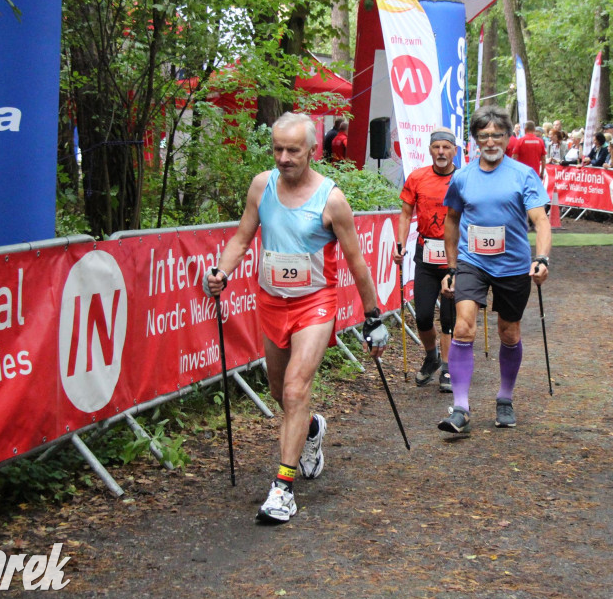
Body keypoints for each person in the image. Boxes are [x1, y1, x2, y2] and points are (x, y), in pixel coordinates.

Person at [203, 112, 389, 523]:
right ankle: (311, 431)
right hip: (271, 302)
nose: (284, 158)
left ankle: (283, 489)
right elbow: (241, 237)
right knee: (277, 390)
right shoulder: (261, 185)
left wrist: (372, 316)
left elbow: (357, 262)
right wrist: (221, 271)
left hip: (315, 304)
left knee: (294, 390)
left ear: (312, 151)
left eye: (293, 150)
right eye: (278, 149)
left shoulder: (332, 200)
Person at [438, 105, 552, 433]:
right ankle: (460, 407)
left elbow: (541, 220)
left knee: (509, 333)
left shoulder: (523, 175)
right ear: (475, 140)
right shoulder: (462, 177)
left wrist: (542, 258)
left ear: (507, 137)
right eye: (484, 135)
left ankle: (505, 397)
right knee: (463, 329)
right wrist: (451, 266)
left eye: (497, 135)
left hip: (513, 265)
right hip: (473, 263)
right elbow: (452, 220)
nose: (491, 142)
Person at [394, 128, 458, 392]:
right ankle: (431, 357)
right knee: (421, 317)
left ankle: (447, 367)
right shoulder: (418, 177)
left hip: (455, 256)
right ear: (430, 150)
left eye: (446, 147)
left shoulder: (464, 179)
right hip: (426, 254)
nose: (441, 152)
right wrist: (399, 244)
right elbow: (405, 214)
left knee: (448, 316)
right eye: (436, 147)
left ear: (455, 150)